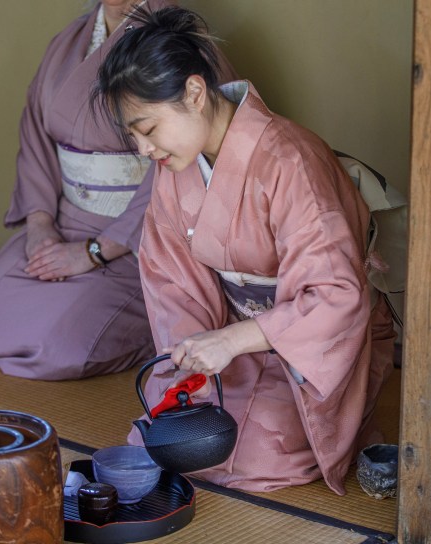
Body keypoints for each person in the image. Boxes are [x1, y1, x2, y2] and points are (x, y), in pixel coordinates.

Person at [94, 5, 396, 494]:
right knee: (166, 425)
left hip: (313, 348)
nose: (143, 150)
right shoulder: (176, 169)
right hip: (231, 339)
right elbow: (170, 280)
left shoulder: (289, 160)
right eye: (133, 136)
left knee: (255, 451)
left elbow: (336, 295)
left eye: (147, 130)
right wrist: (194, 356)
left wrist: (234, 342)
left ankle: (351, 420)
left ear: (193, 93)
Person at [0, 1, 237, 381]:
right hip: (66, 221)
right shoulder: (68, 42)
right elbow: (36, 135)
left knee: (56, 343)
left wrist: (98, 250)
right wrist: (40, 222)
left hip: (141, 240)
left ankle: (159, 328)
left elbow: (187, 157)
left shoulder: (177, 42)